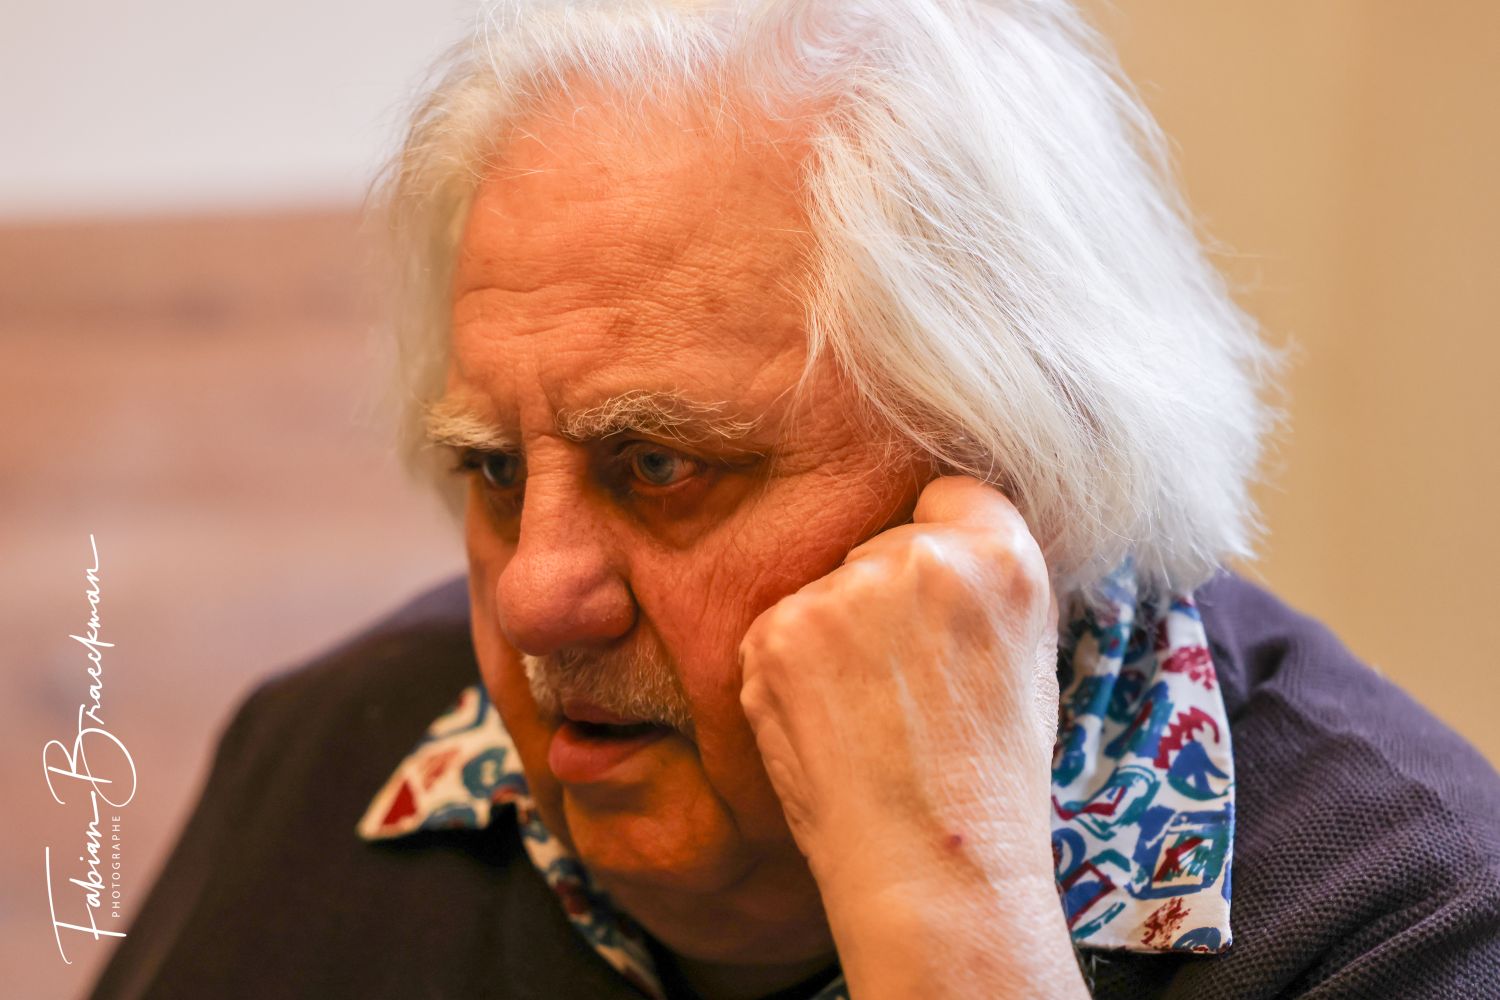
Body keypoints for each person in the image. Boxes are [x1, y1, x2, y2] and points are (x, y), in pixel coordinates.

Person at [92, 0, 1500, 997]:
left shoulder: (1407, 923)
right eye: (497, 471)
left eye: (662, 465)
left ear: (1016, 489)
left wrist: (952, 920)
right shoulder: (327, 756)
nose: (533, 594)